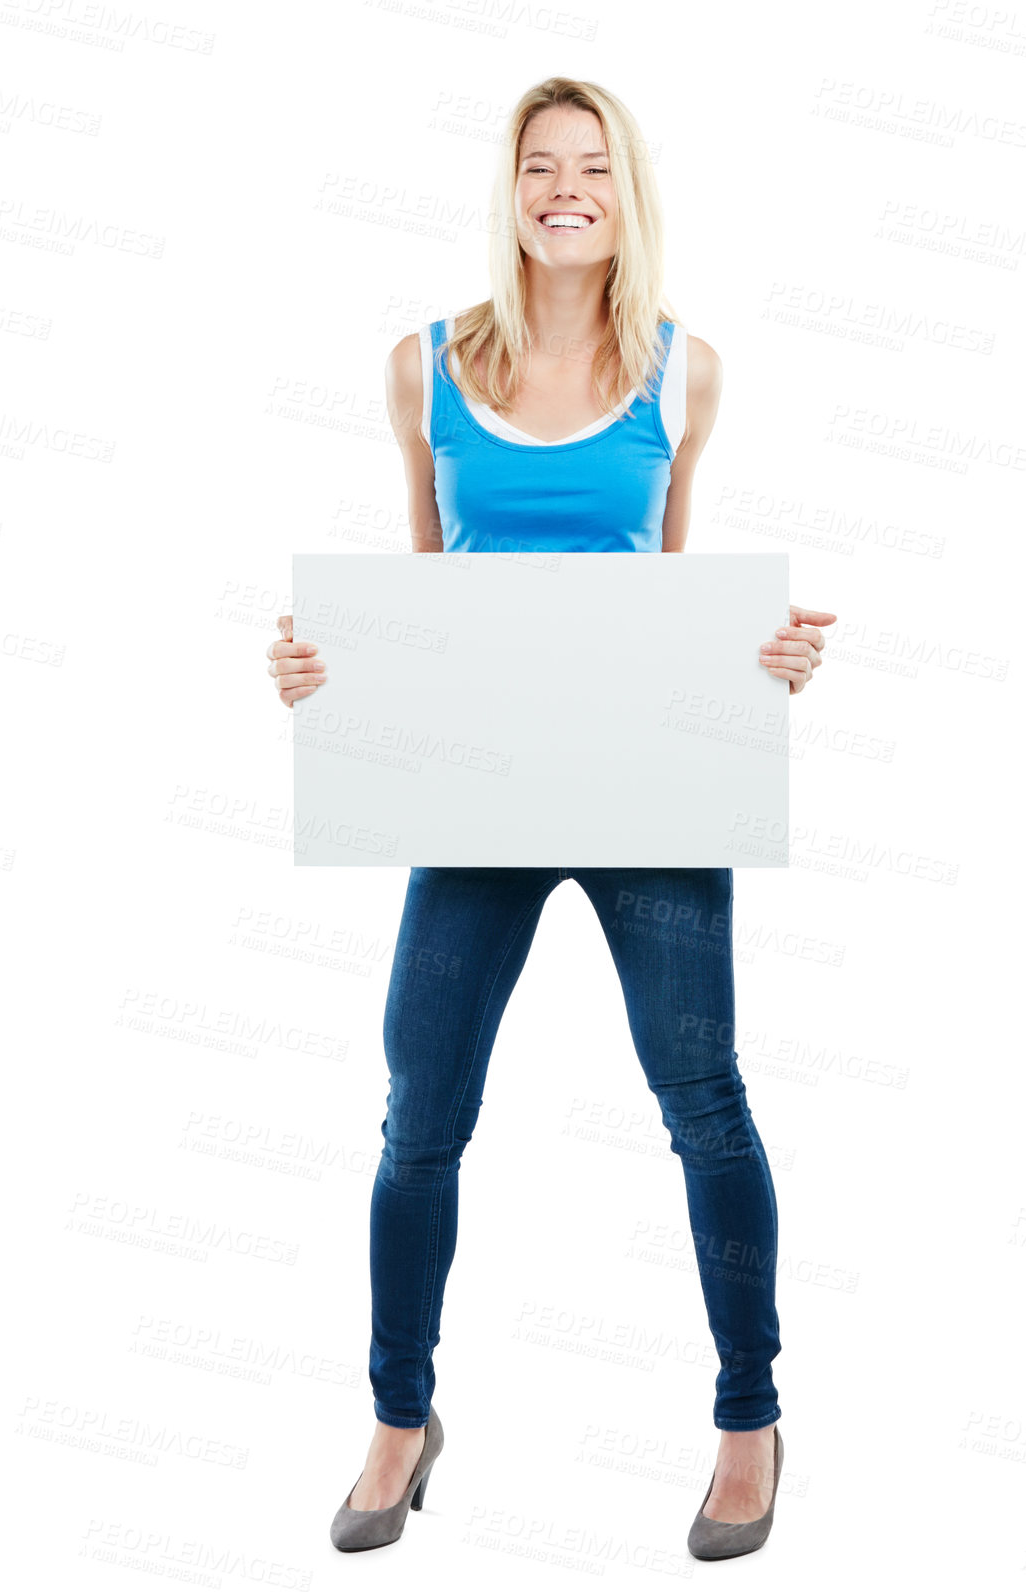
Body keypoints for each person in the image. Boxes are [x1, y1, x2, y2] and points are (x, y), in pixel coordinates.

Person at [266, 76, 836, 1560]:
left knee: (703, 1099)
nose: (564, 189)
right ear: (510, 186)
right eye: (540, 166)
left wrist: (765, 663)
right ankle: (402, 1418)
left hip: (647, 780)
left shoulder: (684, 370)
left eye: (591, 167)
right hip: (476, 784)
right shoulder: (424, 365)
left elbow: (674, 588)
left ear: (623, 191)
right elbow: (418, 586)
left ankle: (748, 1421)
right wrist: (324, 669)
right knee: (421, 1117)